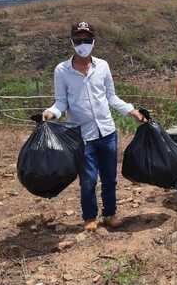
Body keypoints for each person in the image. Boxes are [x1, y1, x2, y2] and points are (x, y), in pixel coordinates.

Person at [42, 22, 145, 231]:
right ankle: (89, 217)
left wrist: (131, 110)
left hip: (107, 131)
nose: (83, 44)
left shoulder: (103, 66)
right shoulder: (62, 70)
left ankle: (110, 214)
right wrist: (51, 112)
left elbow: (111, 96)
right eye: (78, 40)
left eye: (87, 39)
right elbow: (61, 101)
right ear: (72, 42)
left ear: (94, 41)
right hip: (81, 135)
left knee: (109, 177)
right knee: (88, 180)